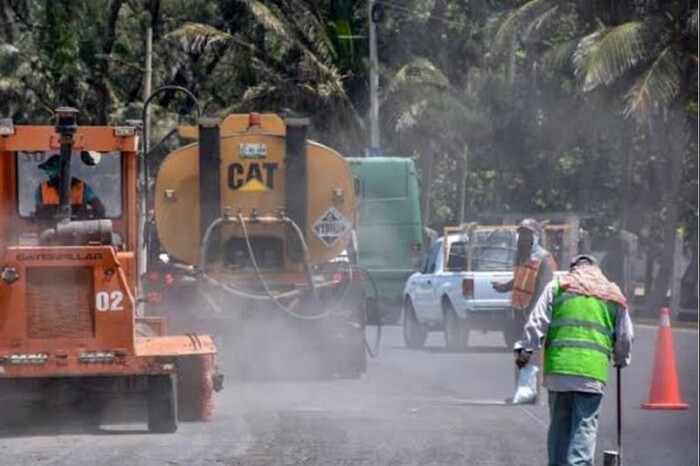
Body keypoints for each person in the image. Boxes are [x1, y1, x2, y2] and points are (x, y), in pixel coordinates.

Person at [513, 254, 634, 466]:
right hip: (592, 373)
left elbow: (536, 322)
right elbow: (625, 336)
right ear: (596, 270)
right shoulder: (613, 293)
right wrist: (621, 358)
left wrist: (526, 351)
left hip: (559, 371)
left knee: (559, 425)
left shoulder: (558, 286)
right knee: (584, 425)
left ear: (573, 269)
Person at [492, 218, 557, 345]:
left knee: (530, 352)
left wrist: (532, 313)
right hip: (518, 312)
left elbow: (542, 290)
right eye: (521, 235)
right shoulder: (522, 257)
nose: (523, 239)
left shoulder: (544, 259)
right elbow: (520, 279)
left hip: (532, 315)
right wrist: (504, 287)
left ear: (536, 237)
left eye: (527, 235)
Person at [35, 154, 105, 218]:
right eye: (48, 171)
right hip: (79, 230)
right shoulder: (82, 187)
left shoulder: (42, 190)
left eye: (50, 171)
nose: (48, 173)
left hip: (52, 229)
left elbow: (39, 215)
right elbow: (100, 209)